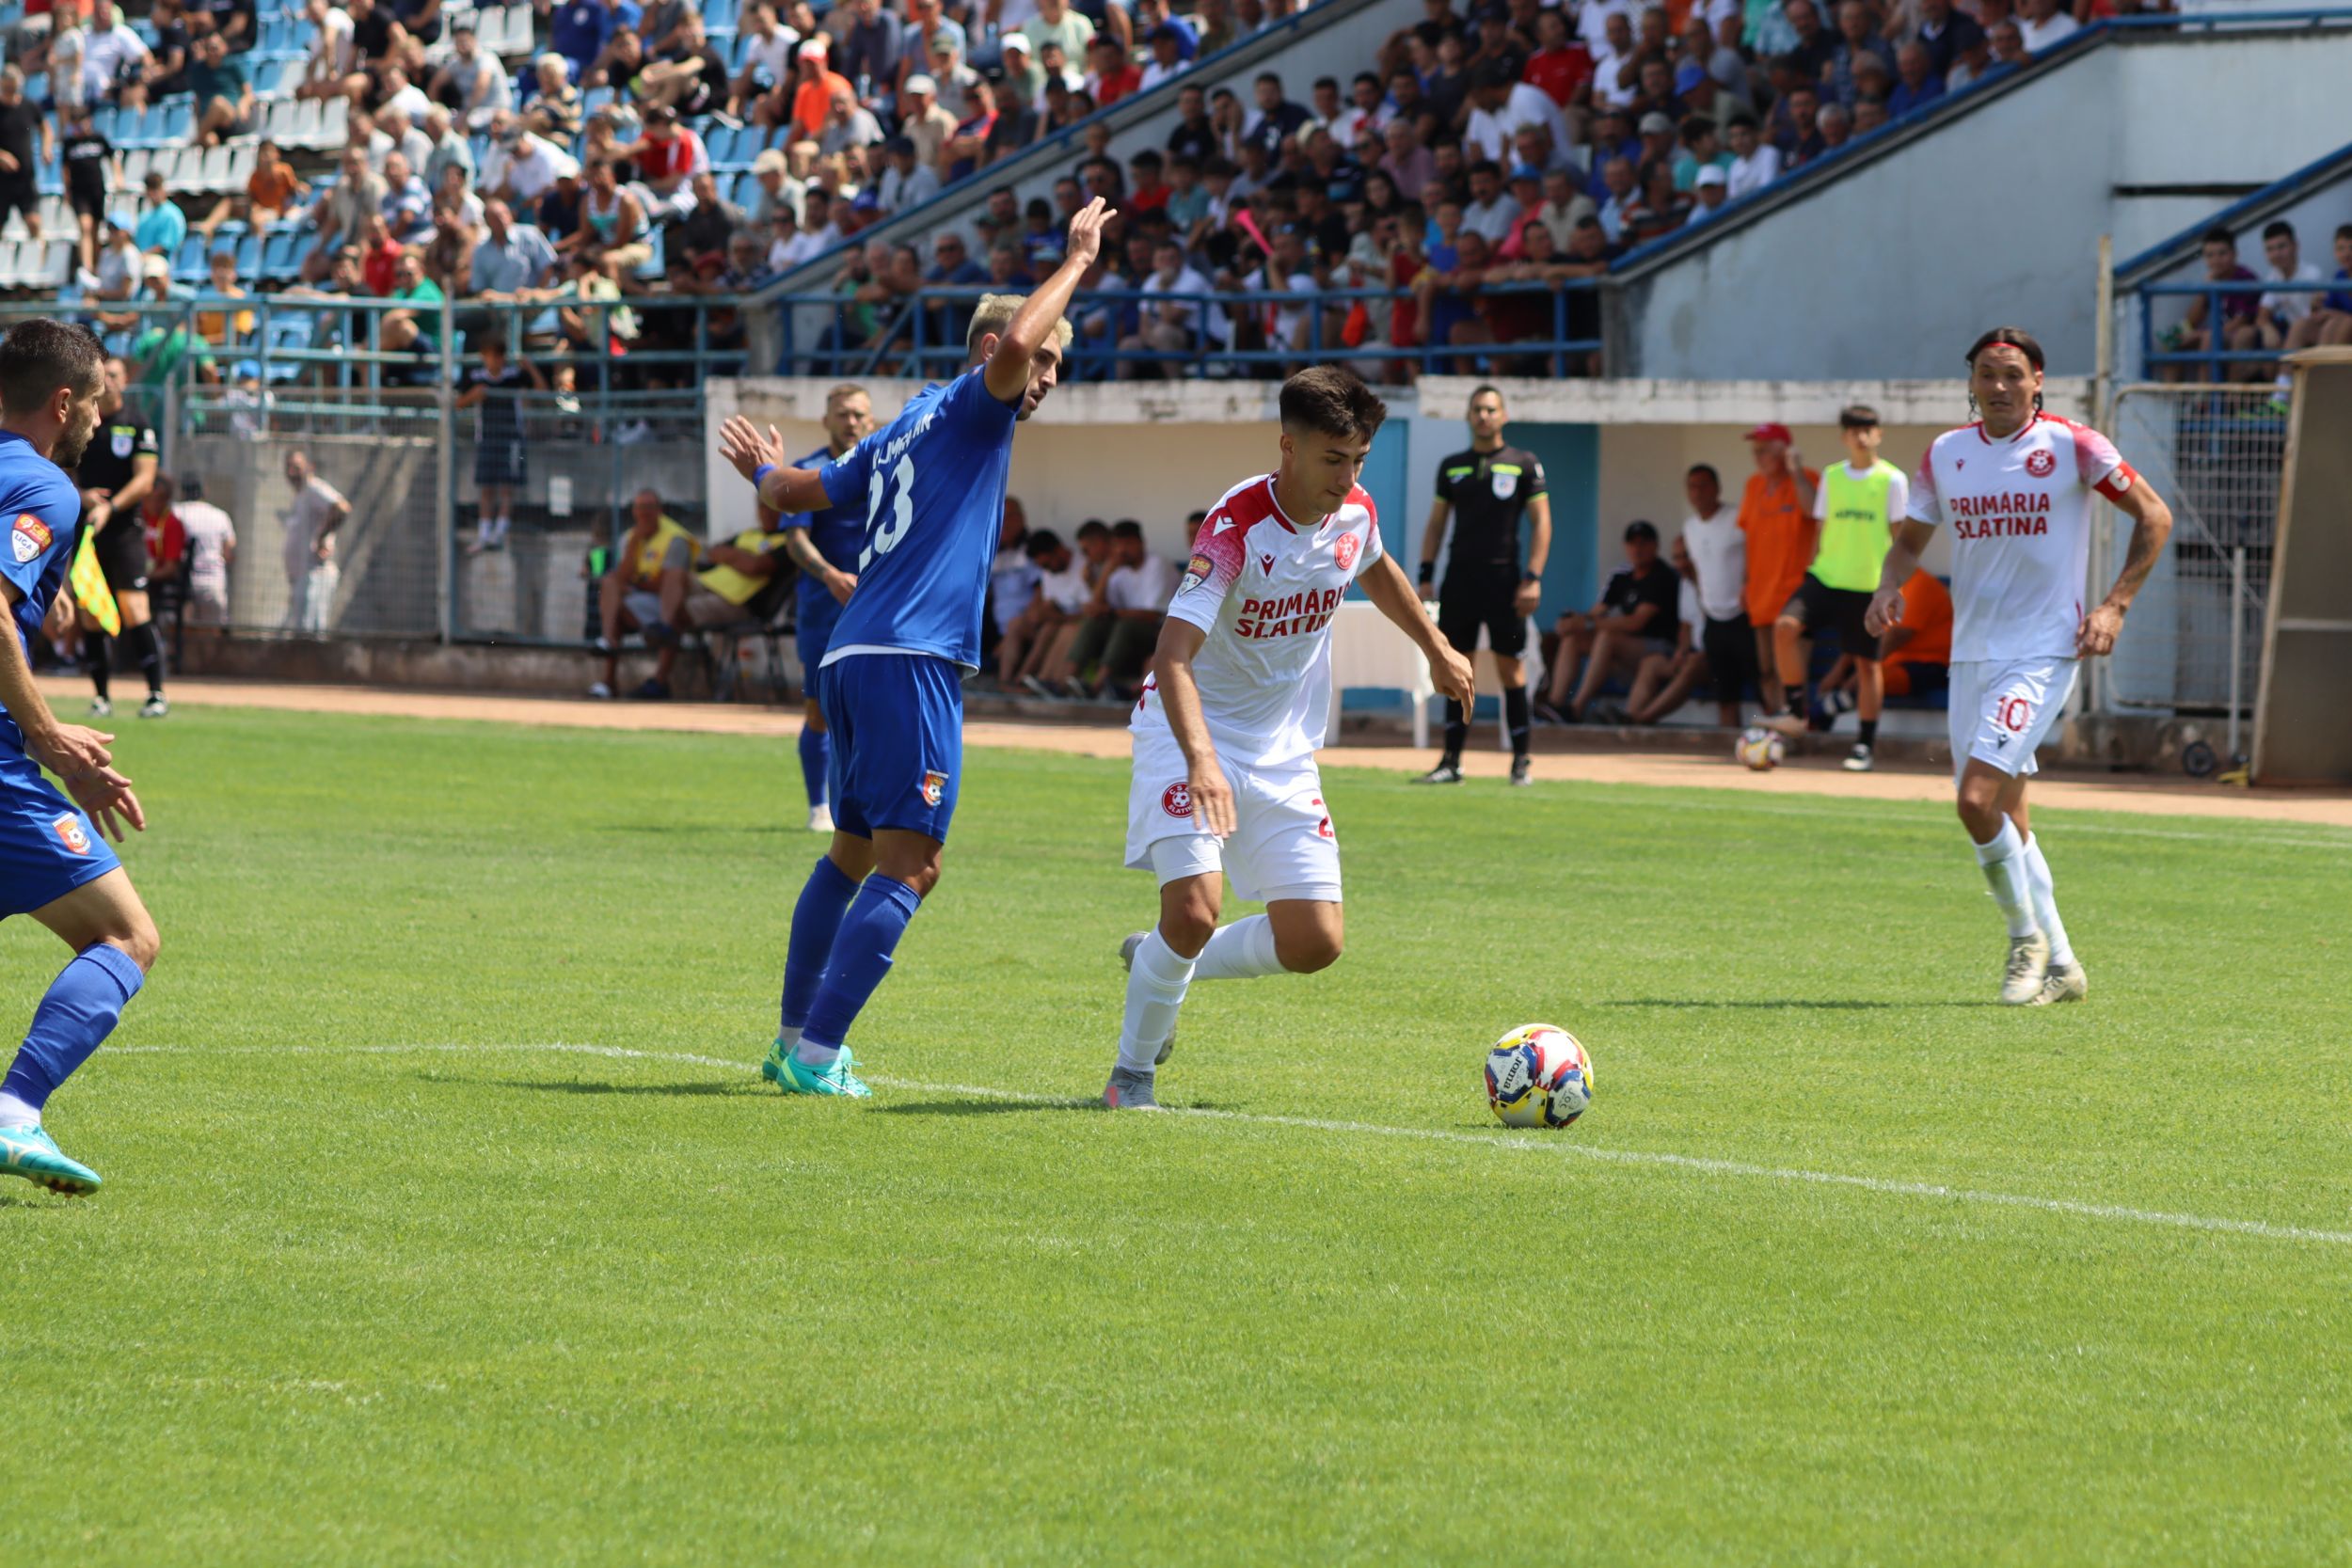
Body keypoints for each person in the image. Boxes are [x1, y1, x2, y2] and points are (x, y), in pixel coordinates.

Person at [720, 195, 1116, 1099]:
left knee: (851, 855)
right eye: (1048, 359)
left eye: (1057, 364)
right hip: (910, 660)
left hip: (851, 658)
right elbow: (1015, 348)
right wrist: (1079, 262)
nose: (1047, 376)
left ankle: (792, 1040)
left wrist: (759, 470)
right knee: (915, 865)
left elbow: (790, 493)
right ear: (994, 350)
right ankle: (818, 1054)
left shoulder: (904, 423)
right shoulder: (980, 405)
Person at [1104, 367, 1474, 1109]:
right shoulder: (1236, 526)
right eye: (1333, 459)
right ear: (1288, 447)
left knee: (1314, 943)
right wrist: (1202, 758)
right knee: (1194, 909)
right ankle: (1131, 1074)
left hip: (1280, 746)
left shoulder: (1355, 512)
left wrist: (1436, 646)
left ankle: (1158, 960)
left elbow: (1377, 567)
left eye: (1359, 459)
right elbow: (1171, 656)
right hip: (1190, 729)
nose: (1348, 477)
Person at [1866, 326, 2173, 1006]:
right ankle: (2063, 965)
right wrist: (1889, 584)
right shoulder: (1946, 454)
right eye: (1986, 373)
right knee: (2009, 813)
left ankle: (2022, 937)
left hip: (2043, 648)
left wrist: (2115, 604)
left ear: (2038, 380)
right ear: (1970, 383)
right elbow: (1910, 540)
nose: (1999, 385)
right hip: (1972, 653)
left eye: (2012, 373)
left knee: (1975, 802)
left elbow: (2155, 516)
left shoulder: (2074, 444)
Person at [0, 318, 159, 1196]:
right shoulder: (44, 486)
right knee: (126, 934)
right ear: (65, 402)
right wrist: (55, 739)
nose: (106, 411)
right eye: (99, 396)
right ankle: (16, 1109)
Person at [1415, 384, 1549, 785]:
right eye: (1477, 409)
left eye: (1491, 409)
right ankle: (1451, 762)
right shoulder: (1452, 465)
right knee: (1457, 668)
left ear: (1503, 415)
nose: (1484, 416)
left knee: (1511, 669)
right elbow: (1436, 524)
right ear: (1468, 416)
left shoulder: (1523, 463)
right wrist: (1425, 574)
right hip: (1460, 579)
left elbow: (1542, 522)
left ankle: (1521, 762)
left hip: (1506, 581)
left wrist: (1533, 578)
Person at [1762, 404, 1907, 770]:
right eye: (1853, 429)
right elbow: (1822, 526)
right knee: (1784, 628)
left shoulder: (1892, 479)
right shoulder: (1832, 476)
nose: (1860, 436)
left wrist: (1893, 586)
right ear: (1843, 436)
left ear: (1879, 434)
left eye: (1867, 429)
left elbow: (1901, 539)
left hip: (1867, 585)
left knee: (1867, 666)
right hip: (1825, 577)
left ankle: (1864, 745)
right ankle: (1796, 712)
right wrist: (1811, 567)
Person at [776, 381, 875, 833]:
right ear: (826, 420)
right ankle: (820, 806)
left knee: (872, 709)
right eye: (843, 414)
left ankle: (864, 806)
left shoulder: (887, 467)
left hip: (877, 608)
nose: (851, 422)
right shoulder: (809, 471)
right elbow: (794, 538)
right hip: (823, 606)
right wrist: (830, 575)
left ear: (871, 420)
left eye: (858, 414)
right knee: (819, 709)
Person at [70, 358, 161, 719]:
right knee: (91, 611)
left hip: (124, 531)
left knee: (134, 608)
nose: (109, 381)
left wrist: (111, 507)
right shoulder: (81, 421)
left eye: (116, 375)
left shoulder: (137, 423)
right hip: (88, 531)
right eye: (104, 375)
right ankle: (102, 697)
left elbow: (145, 480)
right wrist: (83, 496)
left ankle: (155, 693)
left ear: (126, 381)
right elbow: (62, 466)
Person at [1538, 520, 1678, 721]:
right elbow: (1596, 613)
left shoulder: (1662, 576)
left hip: (1658, 649)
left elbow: (1636, 622)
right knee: (1574, 638)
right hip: (1623, 654)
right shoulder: (1622, 575)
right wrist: (1573, 622)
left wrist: (1588, 624)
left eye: (1643, 543)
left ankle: (1577, 708)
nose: (1637, 549)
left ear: (1655, 545)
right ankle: (1556, 706)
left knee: (1607, 637)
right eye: (1633, 543)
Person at [1733, 420, 1817, 714]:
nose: (1758, 456)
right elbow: (1748, 537)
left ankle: (1792, 729)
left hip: (1794, 594)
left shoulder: (1807, 479)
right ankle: (1774, 732)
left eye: (1765, 450)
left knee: (1791, 672)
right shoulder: (1753, 485)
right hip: (1760, 593)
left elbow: (1813, 510)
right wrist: (1744, 582)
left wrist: (1795, 471)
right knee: (1766, 670)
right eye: (1755, 450)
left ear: (1785, 451)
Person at [589, 490, 701, 700]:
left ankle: (659, 681)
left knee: (673, 618)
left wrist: (636, 584)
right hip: (639, 598)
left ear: (660, 510)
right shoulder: (629, 538)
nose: (644, 514)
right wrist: (634, 545)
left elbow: (669, 583)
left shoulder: (675, 539)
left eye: (649, 508)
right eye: (639, 508)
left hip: (668, 604)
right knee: (609, 585)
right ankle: (608, 663)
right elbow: (621, 577)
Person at [1677, 462, 1751, 728]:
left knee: (1764, 684)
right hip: (1713, 620)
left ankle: (1776, 743)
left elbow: (1755, 555)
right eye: (1692, 487)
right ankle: (1729, 750)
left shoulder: (1737, 517)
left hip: (1745, 616)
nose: (1697, 492)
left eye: (1703, 485)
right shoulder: (1690, 528)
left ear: (1717, 488)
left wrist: (1749, 586)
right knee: (1725, 695)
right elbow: (1698, 570)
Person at [453, 334, 543, 555]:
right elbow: (457, 404)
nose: (494, 361)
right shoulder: (475, 377)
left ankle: (500, 532)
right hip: (487, 439)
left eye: (498, 356)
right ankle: (484, 534)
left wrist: (530, 368)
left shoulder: (514, 376)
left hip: (512, 438)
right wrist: (474, 396)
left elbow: (542, 390)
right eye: (490, 356)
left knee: (506, 488)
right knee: (487, 488)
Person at [279, 450, 350, 635]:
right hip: (302, 576)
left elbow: (342, 508)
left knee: (310, 635)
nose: (291, 472)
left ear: (309, 467)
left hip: (316, 574)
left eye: (296, 467)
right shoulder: (301, 496)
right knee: (301, 633)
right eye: (288, 467)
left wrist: (321, 537)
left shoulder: (314, 488)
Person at [171, 474, 237, 630]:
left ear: (182, 492)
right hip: (213, 582)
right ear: (204, 491)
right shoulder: (220, 516)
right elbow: (229, 551)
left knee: (183, 632)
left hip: (184, 584)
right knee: (212, 631)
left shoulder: (176, 512)